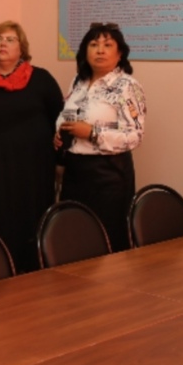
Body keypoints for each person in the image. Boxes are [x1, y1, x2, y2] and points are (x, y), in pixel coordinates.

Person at [0, 21, 63, 273]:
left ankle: (35, 276)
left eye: (9, 39)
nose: (2, 44)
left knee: (34, 225)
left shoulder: (42, 79)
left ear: (21, 47)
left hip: (35, 171)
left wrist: (60, 162)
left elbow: (61, 122)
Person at [55, 22, 146, 253]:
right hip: (75, 171)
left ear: (120, 53)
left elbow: (135, 135)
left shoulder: (127, 86)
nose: (100, 50)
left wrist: (93, 133)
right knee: (74, 237)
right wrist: (59, 134)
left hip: (108, 175)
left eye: (107, 45)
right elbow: (66, 116)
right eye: (94, 45)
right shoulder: (78, 82)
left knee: (107, 242)